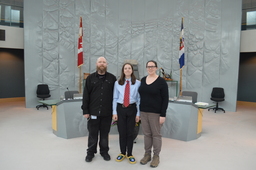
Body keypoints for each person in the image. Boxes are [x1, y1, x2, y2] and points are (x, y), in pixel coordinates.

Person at [82, 56, 116, 162]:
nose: (102, 64)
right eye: (100, 62)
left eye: (104, 62)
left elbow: (115, 96)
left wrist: (114, 112)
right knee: (93, 134)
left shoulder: (112, 78)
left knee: (104, 135)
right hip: (93, 112)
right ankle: (90, 153)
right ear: (97, 64)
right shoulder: (90, 78)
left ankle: (104, 152)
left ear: (106, 65)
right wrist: (85, 111)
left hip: (107, 113)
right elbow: (86, 95)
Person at [138, 60, 169, 168]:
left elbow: (165, 99)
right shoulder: (142, 80)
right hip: (144, 112)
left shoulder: (161, 82)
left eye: (152, 66)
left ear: (156, 68)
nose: (150, 68)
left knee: (156, 135)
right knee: (147, 134)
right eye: (148, 66)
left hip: (156, 113)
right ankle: (147, 154)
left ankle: (156, 156)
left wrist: (163, 114)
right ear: (146, 68)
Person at [112, 63, 141, 164]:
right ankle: (122, 152)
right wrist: (114, 112)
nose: (127, 70)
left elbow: (139, 99)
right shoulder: (117, 83)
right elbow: (115, 98)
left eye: (129, 68)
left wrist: (138, 114)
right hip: (121, 109)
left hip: (132, 109)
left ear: (132, 70)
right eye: (125, 68)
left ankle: (130, 153)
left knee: (130, 132)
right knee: (122, 132)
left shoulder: (137, 83)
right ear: (123, 70)